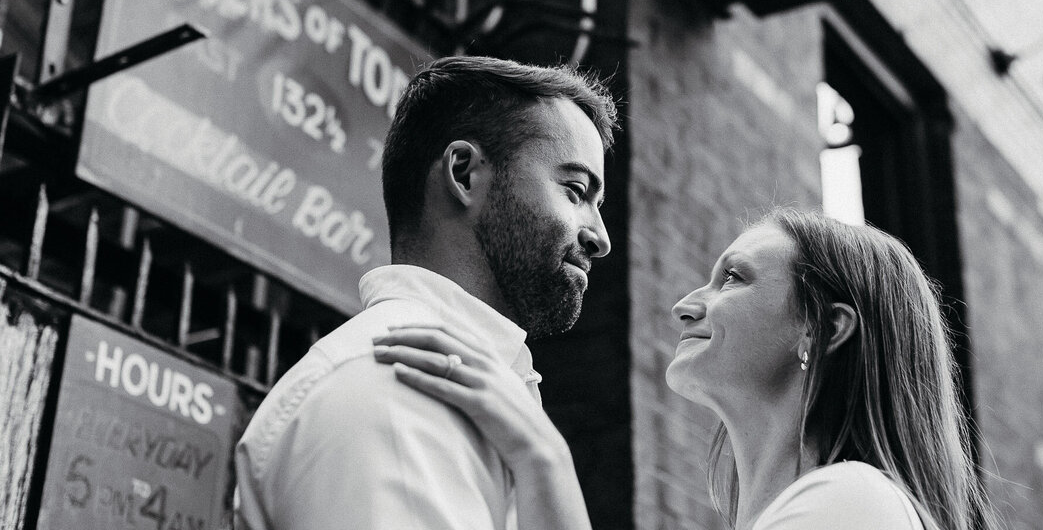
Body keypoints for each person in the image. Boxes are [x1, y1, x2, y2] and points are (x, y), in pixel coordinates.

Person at [373, 208, 999, 530]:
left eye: (733, 278)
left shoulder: (853, 501)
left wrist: (544, 459)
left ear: (823, 327)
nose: (685, 305)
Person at [233, 55, 617, 530]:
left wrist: (548, 461)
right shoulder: (398, 391)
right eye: (576, 191)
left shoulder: (483, 399)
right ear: (463, 173)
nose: (600, 238)